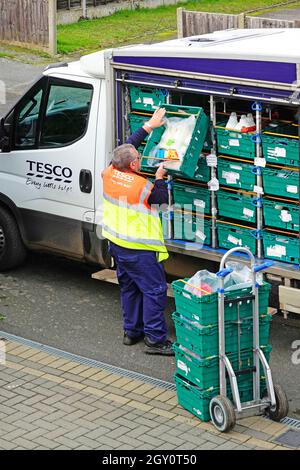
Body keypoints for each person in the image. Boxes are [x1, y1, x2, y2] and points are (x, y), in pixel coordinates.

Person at [101, 108, 174, 356]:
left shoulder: (109, 171)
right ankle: (155, 339)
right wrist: (161, 177)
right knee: (153, 291)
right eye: (138, 157)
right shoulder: (143, 186)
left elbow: (127, 146)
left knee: (129, 288)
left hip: (117, 245)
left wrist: (148, 126)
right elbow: (162, 202)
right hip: (140, 250)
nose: (140, 157)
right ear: (133, 164)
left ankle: (131, 332)